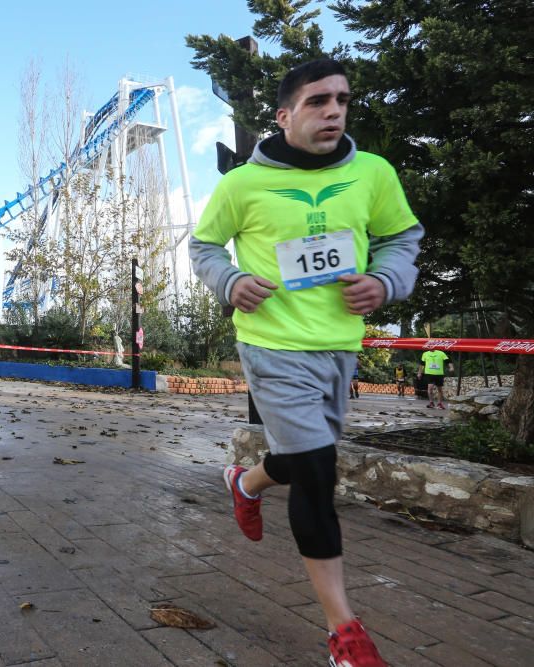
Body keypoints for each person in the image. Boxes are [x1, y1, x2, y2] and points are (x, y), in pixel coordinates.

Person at [190, 59, 423, 667]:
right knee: (318, 472)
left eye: (342, 101)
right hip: (271, 344)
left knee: (302, 459)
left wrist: (386, 281)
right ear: (284, 114)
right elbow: (205, 245)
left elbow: (402, 239)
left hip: (338, 344)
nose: (334, 112)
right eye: (318, 101)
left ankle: (245, 480)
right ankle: (343, 632)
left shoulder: (373, 174)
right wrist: (230, 280)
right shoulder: (243, 184)